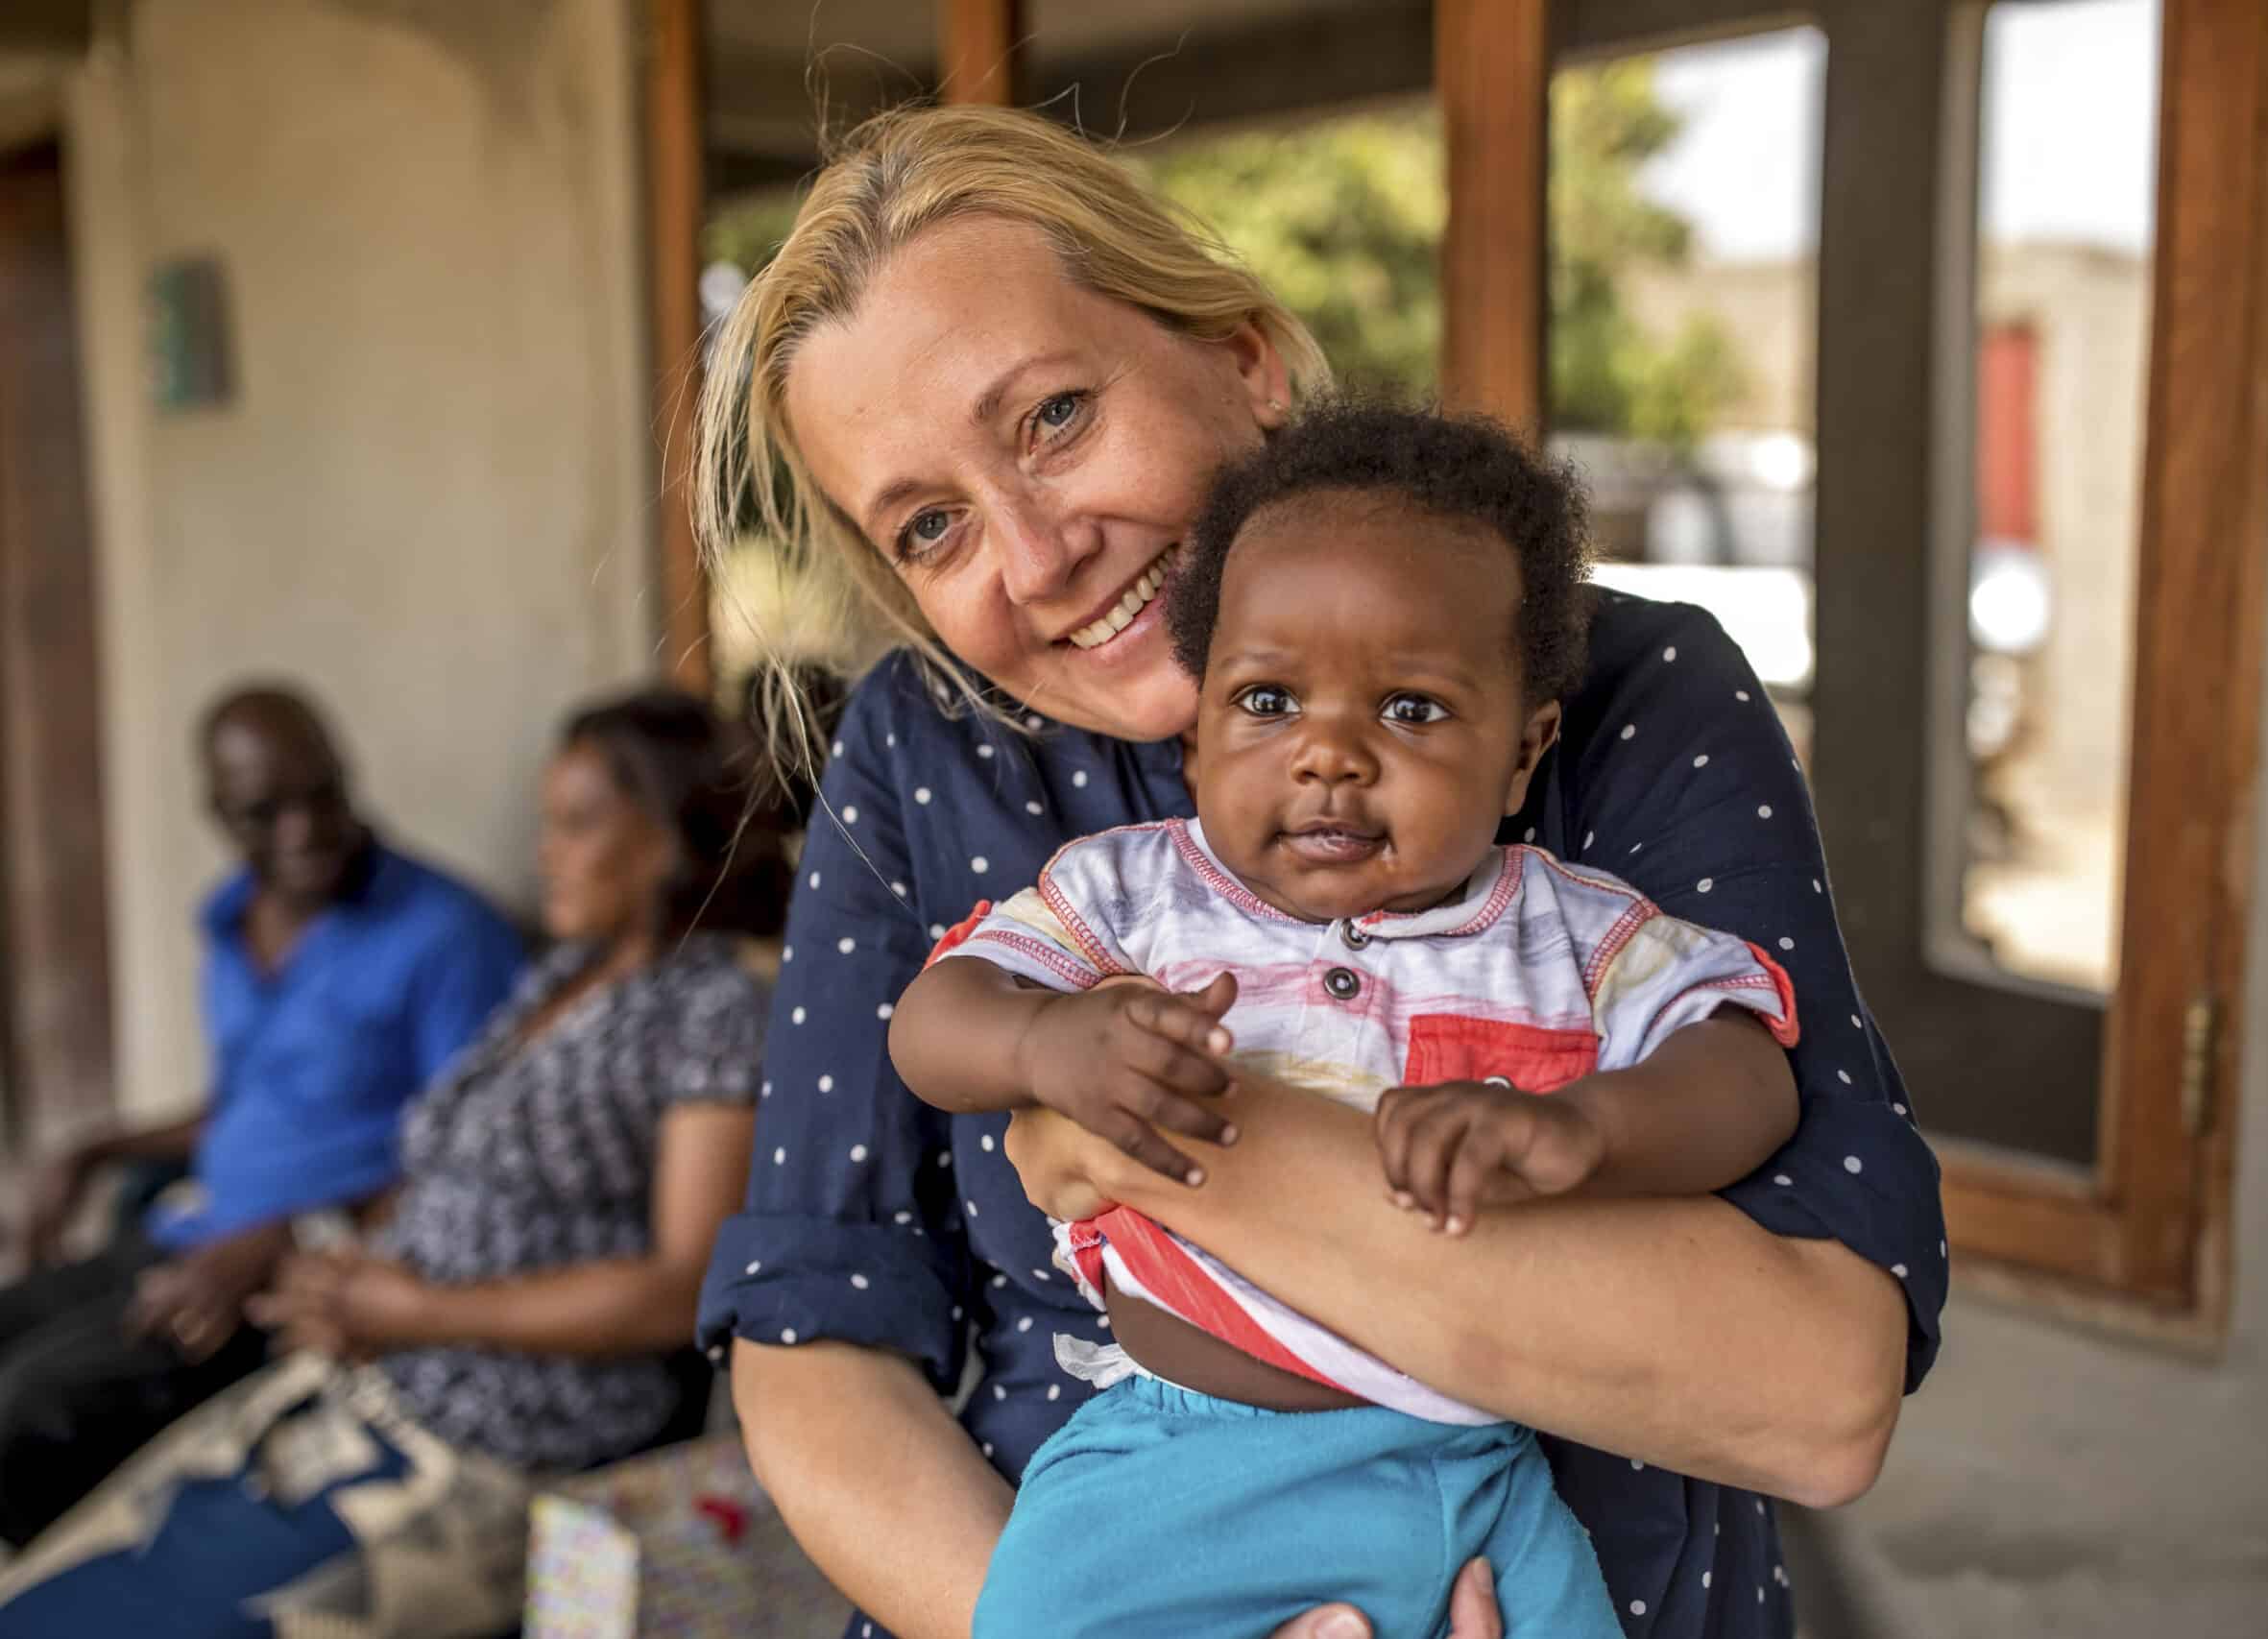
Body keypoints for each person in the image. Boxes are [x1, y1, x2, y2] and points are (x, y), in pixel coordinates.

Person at [693, 105, 1945, 1639]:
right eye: (934, 525)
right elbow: (816, 1333)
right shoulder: (931, 749)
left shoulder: (1617, 689)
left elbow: (1809, 1391)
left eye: (1055, 416)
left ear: (1242, 360)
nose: (1034, 554)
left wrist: (1163, 1151)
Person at [893, 403, 1806, 1639]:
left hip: (1476, 1470)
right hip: (1175, 1466)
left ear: (1523, 750)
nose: (1329, 757)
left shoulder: (1573, 935)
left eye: (1412, 711)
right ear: (1200, 722)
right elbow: (932, 1022)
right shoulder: (1130, 895)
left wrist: (1591, 1130)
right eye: (1267, 701)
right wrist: (1043, 1045)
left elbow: (1746, 1077)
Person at [0, 688, 786, 1639]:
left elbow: (681, 1287)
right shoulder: (562, 978)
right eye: (548, 822)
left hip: (493, 1442)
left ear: (669, 833)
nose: (545, 850)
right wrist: (346, 1267)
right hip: (368, 1381)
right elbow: (444, 1164)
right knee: (52, 1590)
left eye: (578, 824)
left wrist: (418, 1310)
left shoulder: (714, 1007)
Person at [0, 684, 524, 1547]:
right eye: (263, 810)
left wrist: (286, 1236)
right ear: (218, 814)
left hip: (294, 1274)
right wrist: (90, 1150)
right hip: (194, 1228)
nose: (302, 830)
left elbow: (471, 1166)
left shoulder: (446, 935)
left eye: (321, 794)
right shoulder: (231, 917)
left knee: (32, 1410)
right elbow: (245, 1106)